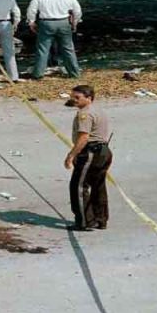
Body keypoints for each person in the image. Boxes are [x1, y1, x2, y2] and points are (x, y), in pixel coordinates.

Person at [65, 84, 112, 231]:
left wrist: (71, 155)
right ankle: (100, 219)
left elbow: (84, 137)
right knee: (98, 186)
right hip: (104, 151)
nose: (74, 100)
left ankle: (84, 221)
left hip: (91, 152)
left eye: (77, 97)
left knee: (78, 187)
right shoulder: (99, 110)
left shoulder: (85, 114)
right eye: (72, 97)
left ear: (89, 98)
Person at [26, 0, 82, 79]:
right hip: (63, 22)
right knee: (68, 48)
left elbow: (32, 10)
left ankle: (38, 73)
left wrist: (31, 22)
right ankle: (74, 72)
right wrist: (75, 22)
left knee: (43, 49)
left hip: (46, 22)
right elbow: (77, 11)